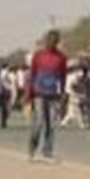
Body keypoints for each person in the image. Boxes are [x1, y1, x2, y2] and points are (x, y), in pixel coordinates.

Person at [26, 30, 67, 162]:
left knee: (52, 124)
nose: (51, 43)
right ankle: (32, 149)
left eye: (55, 41)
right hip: (39, 94)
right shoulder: (38, 56)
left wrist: (62, 94)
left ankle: (47, 151)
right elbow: (32, 75)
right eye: (49, 40)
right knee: (39, 122)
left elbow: (63, 77)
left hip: (53, 94)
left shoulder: (61, 57)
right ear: (46, 41)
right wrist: (28, 94)